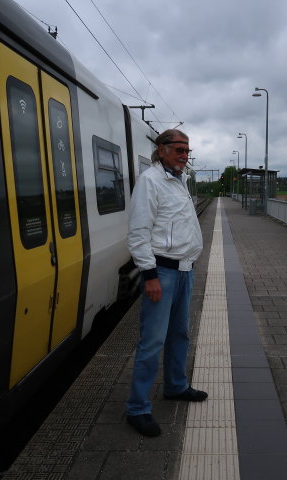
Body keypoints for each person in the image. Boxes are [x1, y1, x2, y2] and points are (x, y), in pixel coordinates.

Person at [125, 129, 207, 437]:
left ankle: (175, 386)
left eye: (187, 150)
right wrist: (150, 275)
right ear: (161, 150)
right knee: (152, 342)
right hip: (163, 272)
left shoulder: (180, 180)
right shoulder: (151, 182)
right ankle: (137, 408)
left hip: (185, 271)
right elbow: (138, 232)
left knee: (179, 334)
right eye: (179, 149)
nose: (185, 155)